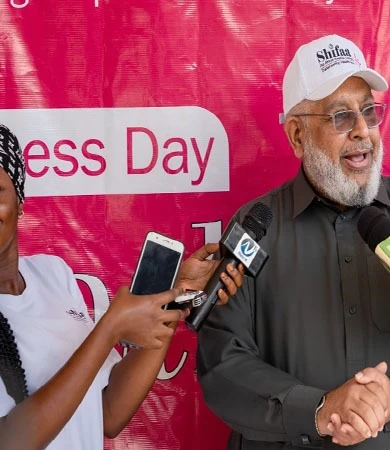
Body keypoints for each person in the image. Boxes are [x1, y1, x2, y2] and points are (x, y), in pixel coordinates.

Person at [196, 34, 390, 449]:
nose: (362, 131)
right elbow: (221, 365)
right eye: (341, 117)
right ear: (297, 137)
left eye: (369, 112)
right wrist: (318, 410)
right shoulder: (256, 227)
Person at [0, 124, 244, 449]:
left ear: (19, 200)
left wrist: (172, 300)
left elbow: (110, 411)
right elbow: (12, 441)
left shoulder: (52, 274)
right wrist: (109, 329)